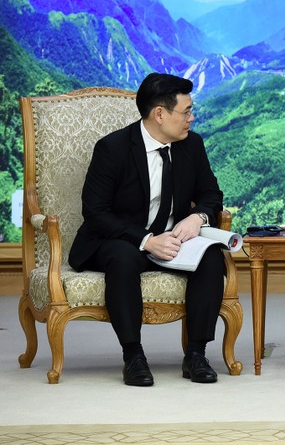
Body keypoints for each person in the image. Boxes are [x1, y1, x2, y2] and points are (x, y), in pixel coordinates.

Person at [69, 73, 226, 386]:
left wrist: (199, 219)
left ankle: (195, 354)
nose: (191, 118)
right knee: (122, 257)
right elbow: (96, 213)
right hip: (122, 240)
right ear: (160, 114)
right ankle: (133, 356)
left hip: (172, 241)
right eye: (186, 112)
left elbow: (211, 194)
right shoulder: (113, 149)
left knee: (211, 258)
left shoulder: (191, 145)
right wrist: (146, 240)